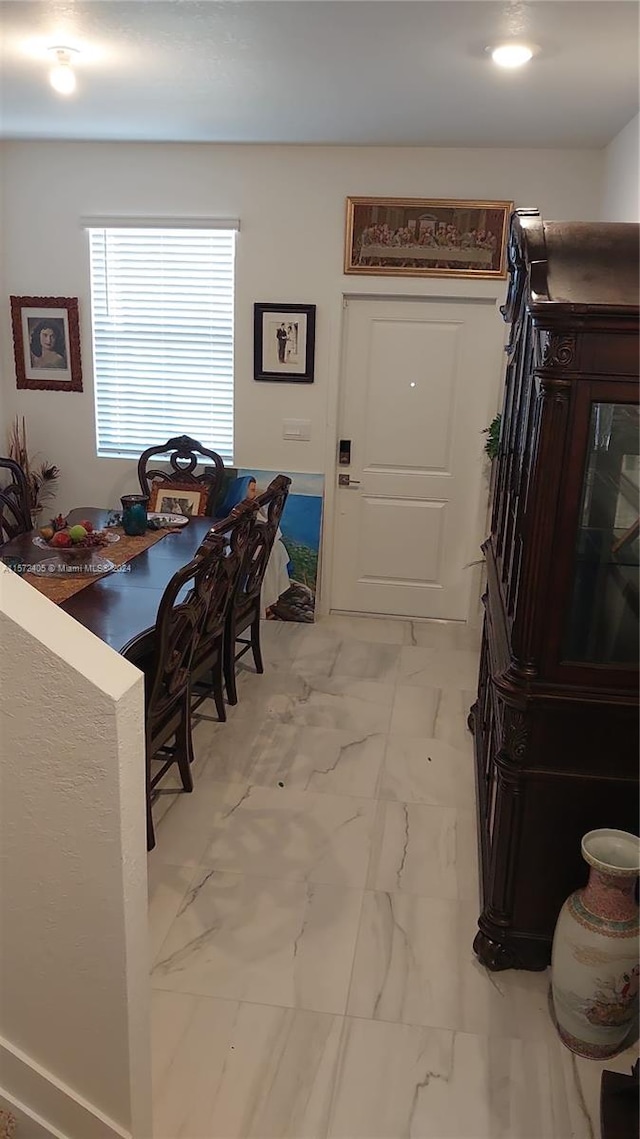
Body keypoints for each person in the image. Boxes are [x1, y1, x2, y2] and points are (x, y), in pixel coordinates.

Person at [220, 474, 291, 618]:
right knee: (270, 556)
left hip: (253, 549)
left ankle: (268, 602)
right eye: (251, 490)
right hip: (248, 549)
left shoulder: (253, 511)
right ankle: (267, 603)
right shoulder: (236, 512)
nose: (254, 493)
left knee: (272, 555)